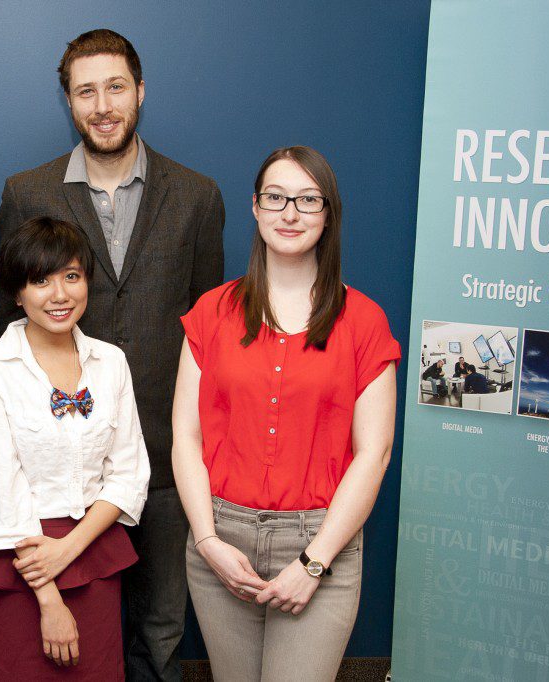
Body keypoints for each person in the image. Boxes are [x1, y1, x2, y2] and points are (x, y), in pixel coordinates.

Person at [0, 29, 224, 680]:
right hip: (61, 471)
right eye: (85, 91)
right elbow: (6, 312)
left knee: (160, 633)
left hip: (165, 459)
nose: (102, 104)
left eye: (115, 86)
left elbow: (212, 335)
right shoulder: (27, 192)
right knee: (73, 646)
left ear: (140, 92)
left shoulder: (197, 196)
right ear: (68, 102)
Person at [173, 146, 400, 681]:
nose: (290, 213)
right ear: (255, 208)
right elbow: (184, 436)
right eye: (275, 198)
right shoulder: (212, 312)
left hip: (322, 543)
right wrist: (207, 541)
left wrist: (314, 562)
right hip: (221, 539)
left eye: (307, 199)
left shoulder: (364, 322)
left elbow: (375, 452)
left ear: (328, 213)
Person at [0, 217, 150, 680]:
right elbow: (2, 490)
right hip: (21, 561)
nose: (60, 294)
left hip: (91, 550)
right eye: (40, 280)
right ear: (16, 292)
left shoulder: (111, 362)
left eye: (71, 276)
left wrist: (70, 548)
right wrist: (49, 598)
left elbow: (129, 474)